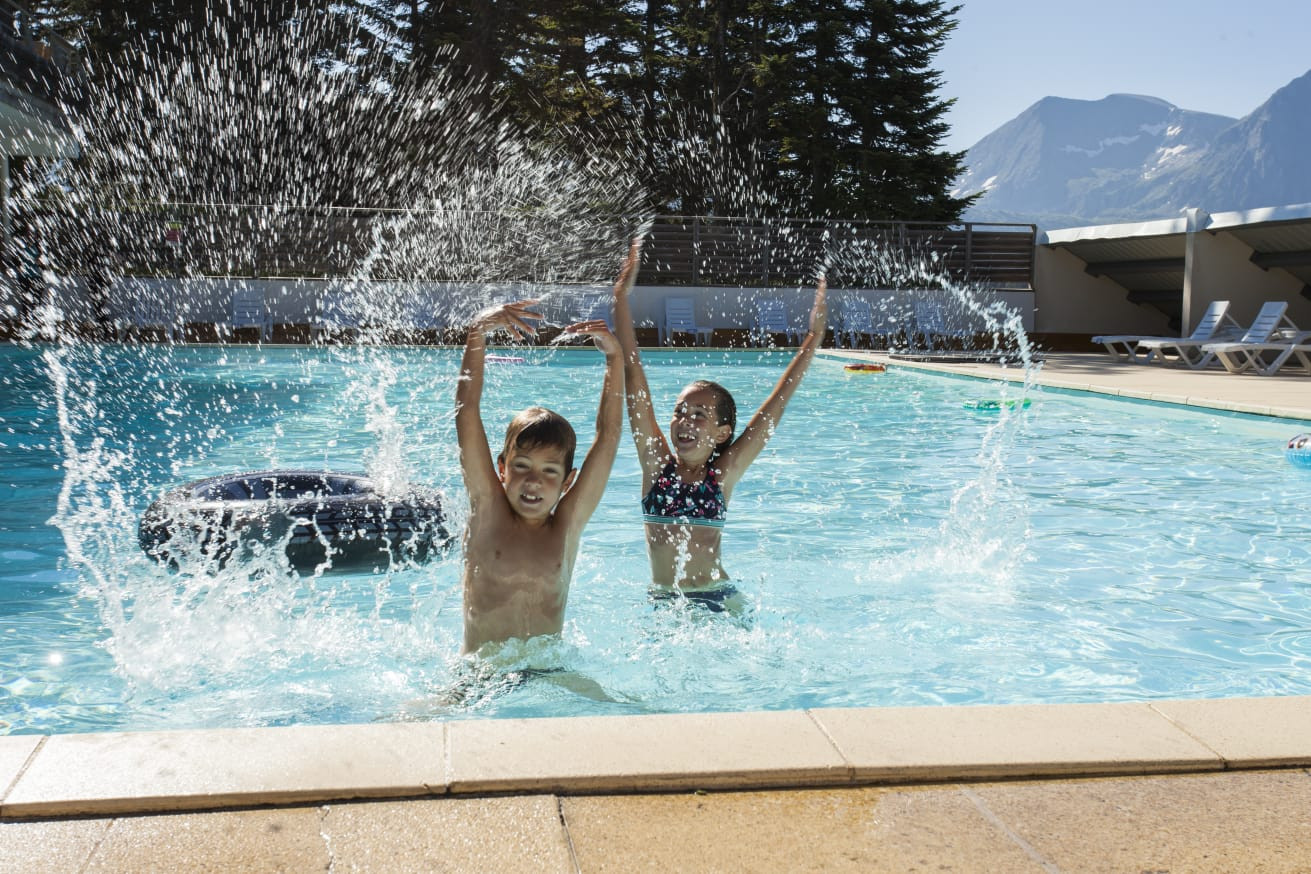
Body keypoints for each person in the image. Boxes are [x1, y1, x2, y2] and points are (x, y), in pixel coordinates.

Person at [613, 242, 828, 609]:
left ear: (722, 434)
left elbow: (774, 407)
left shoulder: (722, 475)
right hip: (665, 600)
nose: (685, 420)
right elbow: (634, 378)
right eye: (680, 411)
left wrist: (813, 339)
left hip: (719, 597)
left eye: (700, 415)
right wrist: (620, 298)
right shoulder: (656, 466)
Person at [455, 252, 633, 655]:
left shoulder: (566, 525)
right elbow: (467, 414)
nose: (533, 480)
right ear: (501, 469)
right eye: (521, 466)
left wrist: (615, 357)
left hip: (549, 673)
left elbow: (609, 437)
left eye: (550, 471)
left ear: (568, 481)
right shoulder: (488, 511)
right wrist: (478, 332)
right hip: (482, 675)